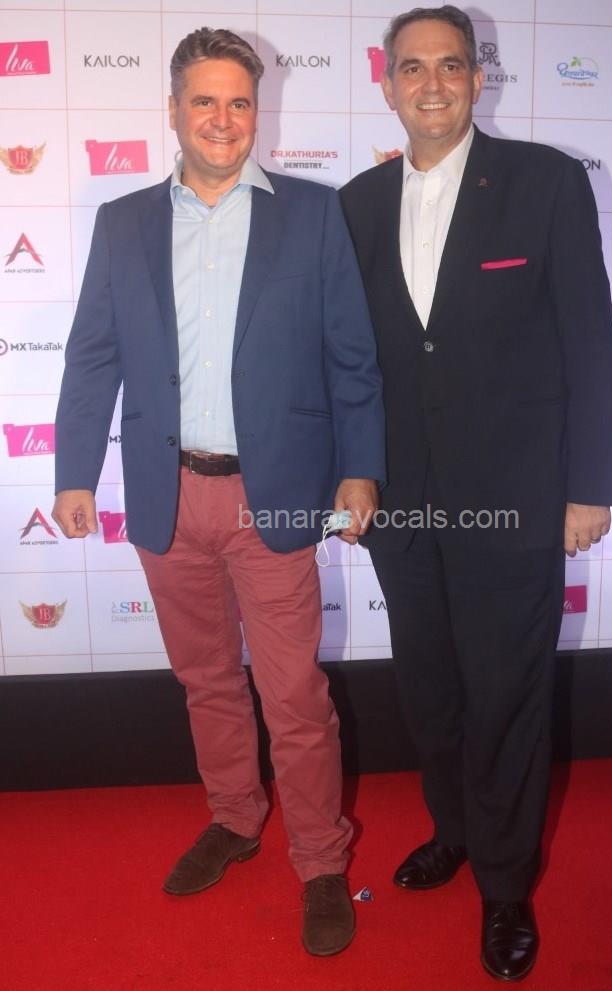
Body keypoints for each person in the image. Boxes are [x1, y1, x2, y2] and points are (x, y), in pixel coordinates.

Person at [53, 27, 385, 958]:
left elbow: (351, 356)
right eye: (205, 100)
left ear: (257, 111)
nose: (223, 118)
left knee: (295, 695)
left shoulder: (313, 214)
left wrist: (360, 467)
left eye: (240, 101)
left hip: (271, 494)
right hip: (166, 494)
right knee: (205, 680)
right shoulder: (122, 221)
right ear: (173, 110)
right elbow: (93, 356)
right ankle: (237, 817)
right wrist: (74, 471)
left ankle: (320, 859)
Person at [340, 5, 612, 982]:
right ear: (386, 83)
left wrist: (588, 485)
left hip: (515, 498)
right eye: (412, 67)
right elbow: (350, 357)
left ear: (476, 78)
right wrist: (348, 471)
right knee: (430, 688)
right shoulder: (357, 203)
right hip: (402, 503)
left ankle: (504, 886)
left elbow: (589, 338)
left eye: (450, 65)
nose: (432, 84)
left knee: (506, 693)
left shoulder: (545, 183)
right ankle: (454, 829)